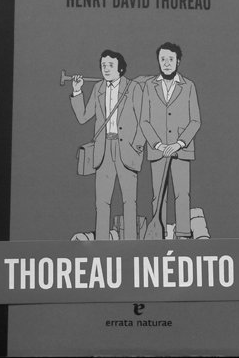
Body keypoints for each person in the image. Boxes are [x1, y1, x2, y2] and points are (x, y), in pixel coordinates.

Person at [70, 49, 145, 240]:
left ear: (120, 68)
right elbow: (83, 117)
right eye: (103, 65)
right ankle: (102, 242)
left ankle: (130, 242)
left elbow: (143, 119)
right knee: (102, 202)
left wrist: (137, 145)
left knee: (129, 201)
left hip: (127, 150)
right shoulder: (98, 89)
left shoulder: (133, 88)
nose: (106, 69)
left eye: (110, 65)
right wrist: (77, 91)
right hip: (103, 151)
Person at [140, 42, 201, 239]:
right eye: (163, 59)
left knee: (182, 193)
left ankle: (183, 232)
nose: (166, 63)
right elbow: (144, 120)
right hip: (158, 151)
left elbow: (195, 121)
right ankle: (160, 234)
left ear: (178, 61)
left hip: (181, 151)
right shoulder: (149, 86)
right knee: (159, 195)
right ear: (158, 61)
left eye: (171, 59)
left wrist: (178, 144)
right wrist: (158, 144)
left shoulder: (188, 86)